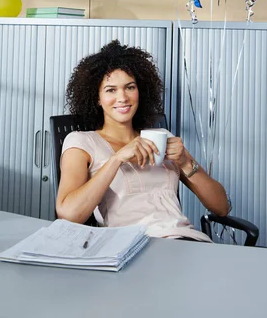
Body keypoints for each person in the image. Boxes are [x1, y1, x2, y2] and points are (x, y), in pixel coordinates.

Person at [56, 40, 230, 242]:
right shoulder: (82, 142)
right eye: (111, 90)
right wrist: (117, 159)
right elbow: (68, 214)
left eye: (130, 87)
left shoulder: (163, 137)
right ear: (97, 97)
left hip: (185, 241)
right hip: (130, 247)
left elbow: (221, 207)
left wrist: (184, 162)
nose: (123, 98)